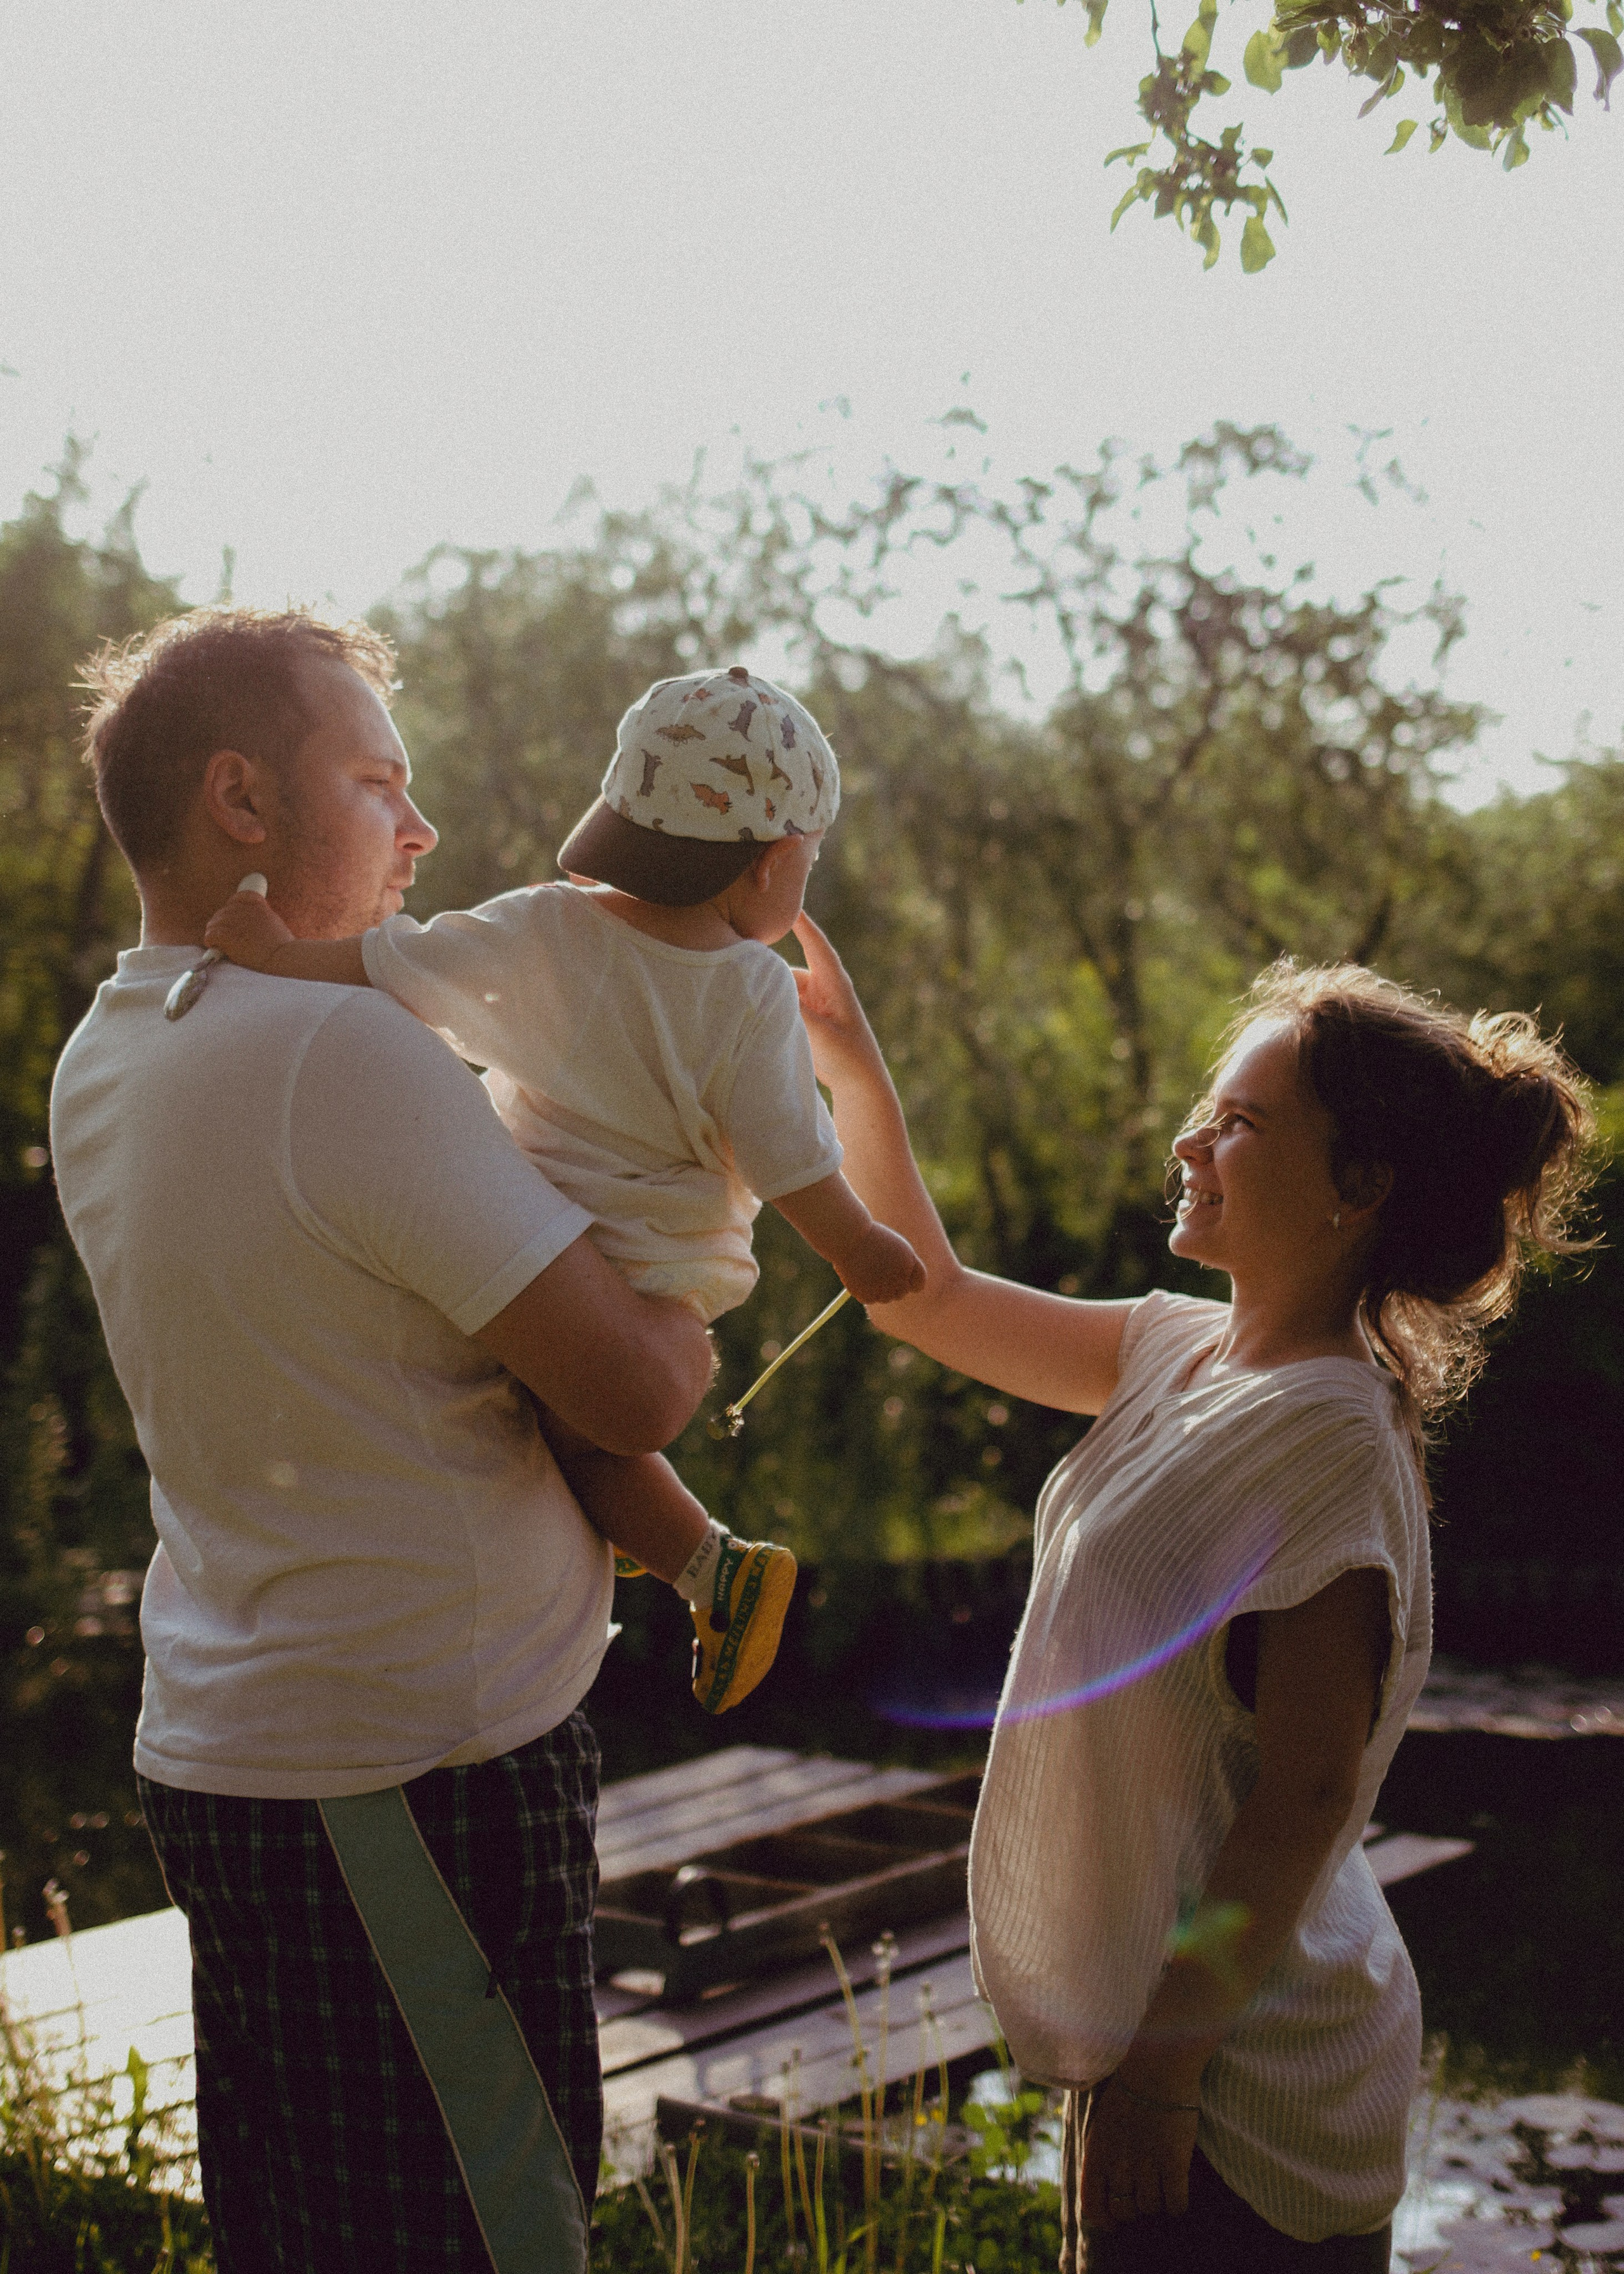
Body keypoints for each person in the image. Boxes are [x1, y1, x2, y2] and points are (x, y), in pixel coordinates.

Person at [50, 607, 721, 2273]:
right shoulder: (340, 1055)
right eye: (378, 781)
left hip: (254, 1752)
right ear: (242, 802)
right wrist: (706, 1231)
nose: (421, 830)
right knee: (499, 2238)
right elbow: (637, 1390)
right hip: (414, 1783)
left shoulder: (109, 1048)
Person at [789, 914, 1592, 2273]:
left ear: (1358, 1184)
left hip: (1244, 2094)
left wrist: (1161, 2074)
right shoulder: (1178, 1351)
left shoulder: (1326, 1431)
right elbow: (916, 1295)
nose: (1187, 1144)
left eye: (1237, 1123)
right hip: (1167, 2048)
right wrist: (848, 1069)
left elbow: (1305, 1795)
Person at [200, 662, 925, 1712]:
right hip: (659, 1255)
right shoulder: (750, 991)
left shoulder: (546, 927)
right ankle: (713, 1570)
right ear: (768, 869)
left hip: (531, 1220)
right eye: (806, 863)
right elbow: (792, 1158)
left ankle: (664, 1542)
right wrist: (857, 1246)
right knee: (578, 1437)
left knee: (557, 1423)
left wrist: (273, 952)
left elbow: (397, 964)